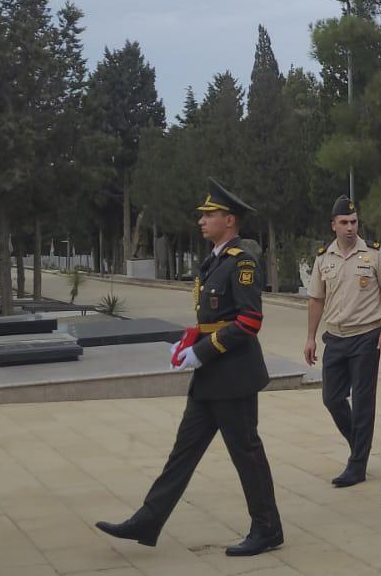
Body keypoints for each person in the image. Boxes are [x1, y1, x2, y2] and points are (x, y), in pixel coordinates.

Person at [97, 179, 283, 555]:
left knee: (246, 453)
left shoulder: (241, 262)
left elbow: (249, 321)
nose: (201, 220)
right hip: (210, 377)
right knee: (183, 452)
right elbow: (216, 316)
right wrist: (190, 339)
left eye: (209, 215)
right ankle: (148, 519)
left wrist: (204, 351)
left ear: (229, 220)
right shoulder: (214, 261)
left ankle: (267, 529)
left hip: (233, 376)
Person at [304, 196, 381, 487]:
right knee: (332, 398)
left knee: (362, 402)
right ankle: (359, 445)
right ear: (333, 225)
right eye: (344, 222)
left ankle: (357, 465)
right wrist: (310, 337)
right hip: (335, 337)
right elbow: (315, 299)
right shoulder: (324, 257)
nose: (350, 227)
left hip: (366, 337)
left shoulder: (373, 254)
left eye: (354, 222)